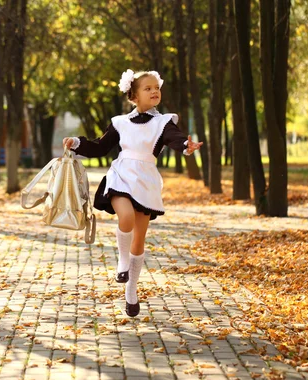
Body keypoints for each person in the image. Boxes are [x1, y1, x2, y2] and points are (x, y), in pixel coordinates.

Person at [63, 69, 203, 317]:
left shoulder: (164, 122)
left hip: (146, 181)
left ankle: (132, 290)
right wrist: (77, 142)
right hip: (121, 175)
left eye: (156, 87)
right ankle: (122, 263)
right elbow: (100, 146)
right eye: (147, 88)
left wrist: (186, 146)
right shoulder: (120, 123)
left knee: (139, 239)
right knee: (124, 215)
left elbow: (175, 138)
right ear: (134, 96)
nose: (154, 91)